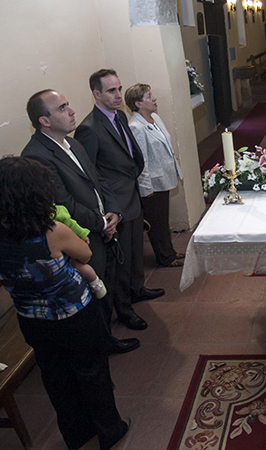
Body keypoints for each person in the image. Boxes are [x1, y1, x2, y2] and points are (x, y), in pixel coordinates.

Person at [0, 156, 130, 450]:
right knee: (92, 370)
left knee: (55, 376)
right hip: (72, 314)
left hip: (30, 317)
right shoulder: (52, 230)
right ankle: (109, 429)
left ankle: (77, 433)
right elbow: (83, 254)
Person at [22, 89, 140, 354]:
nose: (72, 111)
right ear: (44, 120)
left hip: (101, 224)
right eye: (62, 108)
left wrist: (113, 211)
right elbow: (63, 203)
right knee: (93, 292)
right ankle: (101, 345)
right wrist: (101, 223)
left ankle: (108, 333)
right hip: (81, 234)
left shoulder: (72, 143)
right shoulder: (37, 155)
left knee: (107, 281)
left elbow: (98, 181)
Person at [75, 69, 165, 331]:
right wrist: (106, 208)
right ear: (96, 93)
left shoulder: (121, 116)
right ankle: (124, 309)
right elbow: (91, 173)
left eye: (118, 88)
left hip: (131, 194)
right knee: (121, 262)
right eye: (111, 90)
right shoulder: (89, 129)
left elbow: (129, 154)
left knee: (136, 250)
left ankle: (137, 289)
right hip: (115, 203)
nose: (117, 95)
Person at [125, 83, 185, 268]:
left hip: (164, 176)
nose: (154, 99)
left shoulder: (155, 118)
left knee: (163, 219)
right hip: (152, 181)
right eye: (149, 97)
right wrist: (146, 187)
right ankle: (164, 257)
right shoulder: (136, 126)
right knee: (156, 223)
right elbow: (141, 160)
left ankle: (170, 250)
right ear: (138, 104)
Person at [54, 204, 107, 297]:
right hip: (61, 249)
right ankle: (95, 283)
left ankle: (96, 284)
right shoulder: (57, 210)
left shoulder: (57, 211)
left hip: (66, 246)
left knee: (80, 265)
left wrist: (82, 234)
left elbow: (71, 224)